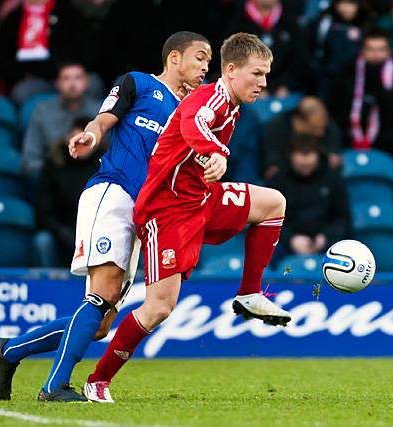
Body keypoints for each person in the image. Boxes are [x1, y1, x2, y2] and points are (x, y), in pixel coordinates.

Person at [0, 31, 212, 402]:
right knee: (100, 299)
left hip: (145, 214)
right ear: (174, 58)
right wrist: (90, 135)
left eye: (208, 61)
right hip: (113, 193)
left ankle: (8, 352)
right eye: (199, 58)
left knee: (100, 325)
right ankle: (54, 387)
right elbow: (103, 120)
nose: (205, 67)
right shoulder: (137, 84)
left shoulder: (193, 112)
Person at [82, 33, 291, 403]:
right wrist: (215, 152)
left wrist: (212, 156)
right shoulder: (210, 97)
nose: (263, 83)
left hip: (200, 198)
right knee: (160, 306)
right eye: (256, 74)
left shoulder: (232, 104)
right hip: (167, 209)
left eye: (266, 75)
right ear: (231, 70)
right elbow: (193, 124)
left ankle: (249, 294)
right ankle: (98, 381)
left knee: (273, 203)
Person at [267, 134, 350, 260]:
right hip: (285, 242)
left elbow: (343, 217)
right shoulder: (277, 181)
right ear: (291, 156)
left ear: (317, 155)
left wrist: (325, 236)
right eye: (300, 155)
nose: (305, 163)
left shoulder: (332, 179)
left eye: (310, 155)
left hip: (326, 241)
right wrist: (291, 239)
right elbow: (268, 219)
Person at [35, 117, 104, 266]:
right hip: (61, 234)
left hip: (98, 234)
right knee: (43, 241)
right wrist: (65, 234)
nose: (82, 146)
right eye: (78, 141)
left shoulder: (105, 167)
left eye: (86, 142)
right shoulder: (53, 166)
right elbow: (44, 212)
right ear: (69, 139)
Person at [329, 29, 393, 161]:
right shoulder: (348, 70)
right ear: (362, 51)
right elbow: (338, 105)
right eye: (370, 49)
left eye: (381, 49)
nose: (376, 55)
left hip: (384, 131)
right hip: (350, 130)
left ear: (389, 51)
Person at [0, 0, 85, 103]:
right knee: (22, 92)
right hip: (32, 80)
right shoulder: (16, 17)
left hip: (68, 75)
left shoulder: (67, 11)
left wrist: (70, 68)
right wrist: (21, 73)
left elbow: (85, 47)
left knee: (93, 85)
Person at [22, 62, 100, 179]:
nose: (72, 84)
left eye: (78, 77)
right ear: (57, 83)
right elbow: (31, 157)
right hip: (53, 178)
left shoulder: (99, 111)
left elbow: (109, 152)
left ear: (87, 82)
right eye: (66, 78)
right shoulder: (43, 112)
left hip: (92, 176)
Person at [224, 0, 310, 95]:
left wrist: (286, 86)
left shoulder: (291, 20)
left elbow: (300, 62)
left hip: (284, 92)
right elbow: (226, 62)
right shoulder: (233, 17)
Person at [262, 96, 342, 180]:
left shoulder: (325, 125)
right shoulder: (276, 128)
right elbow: (272, 164)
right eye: (314, 128)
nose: (320, 133)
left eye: (322, 127)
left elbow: (333, 155)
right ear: (298, 121)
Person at [307, 0, 369, 97]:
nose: (346, 8)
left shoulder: (366, 24)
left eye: (351, 3)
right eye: (342, 3)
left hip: (357, 80)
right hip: (326, 79)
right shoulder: (324, 23)